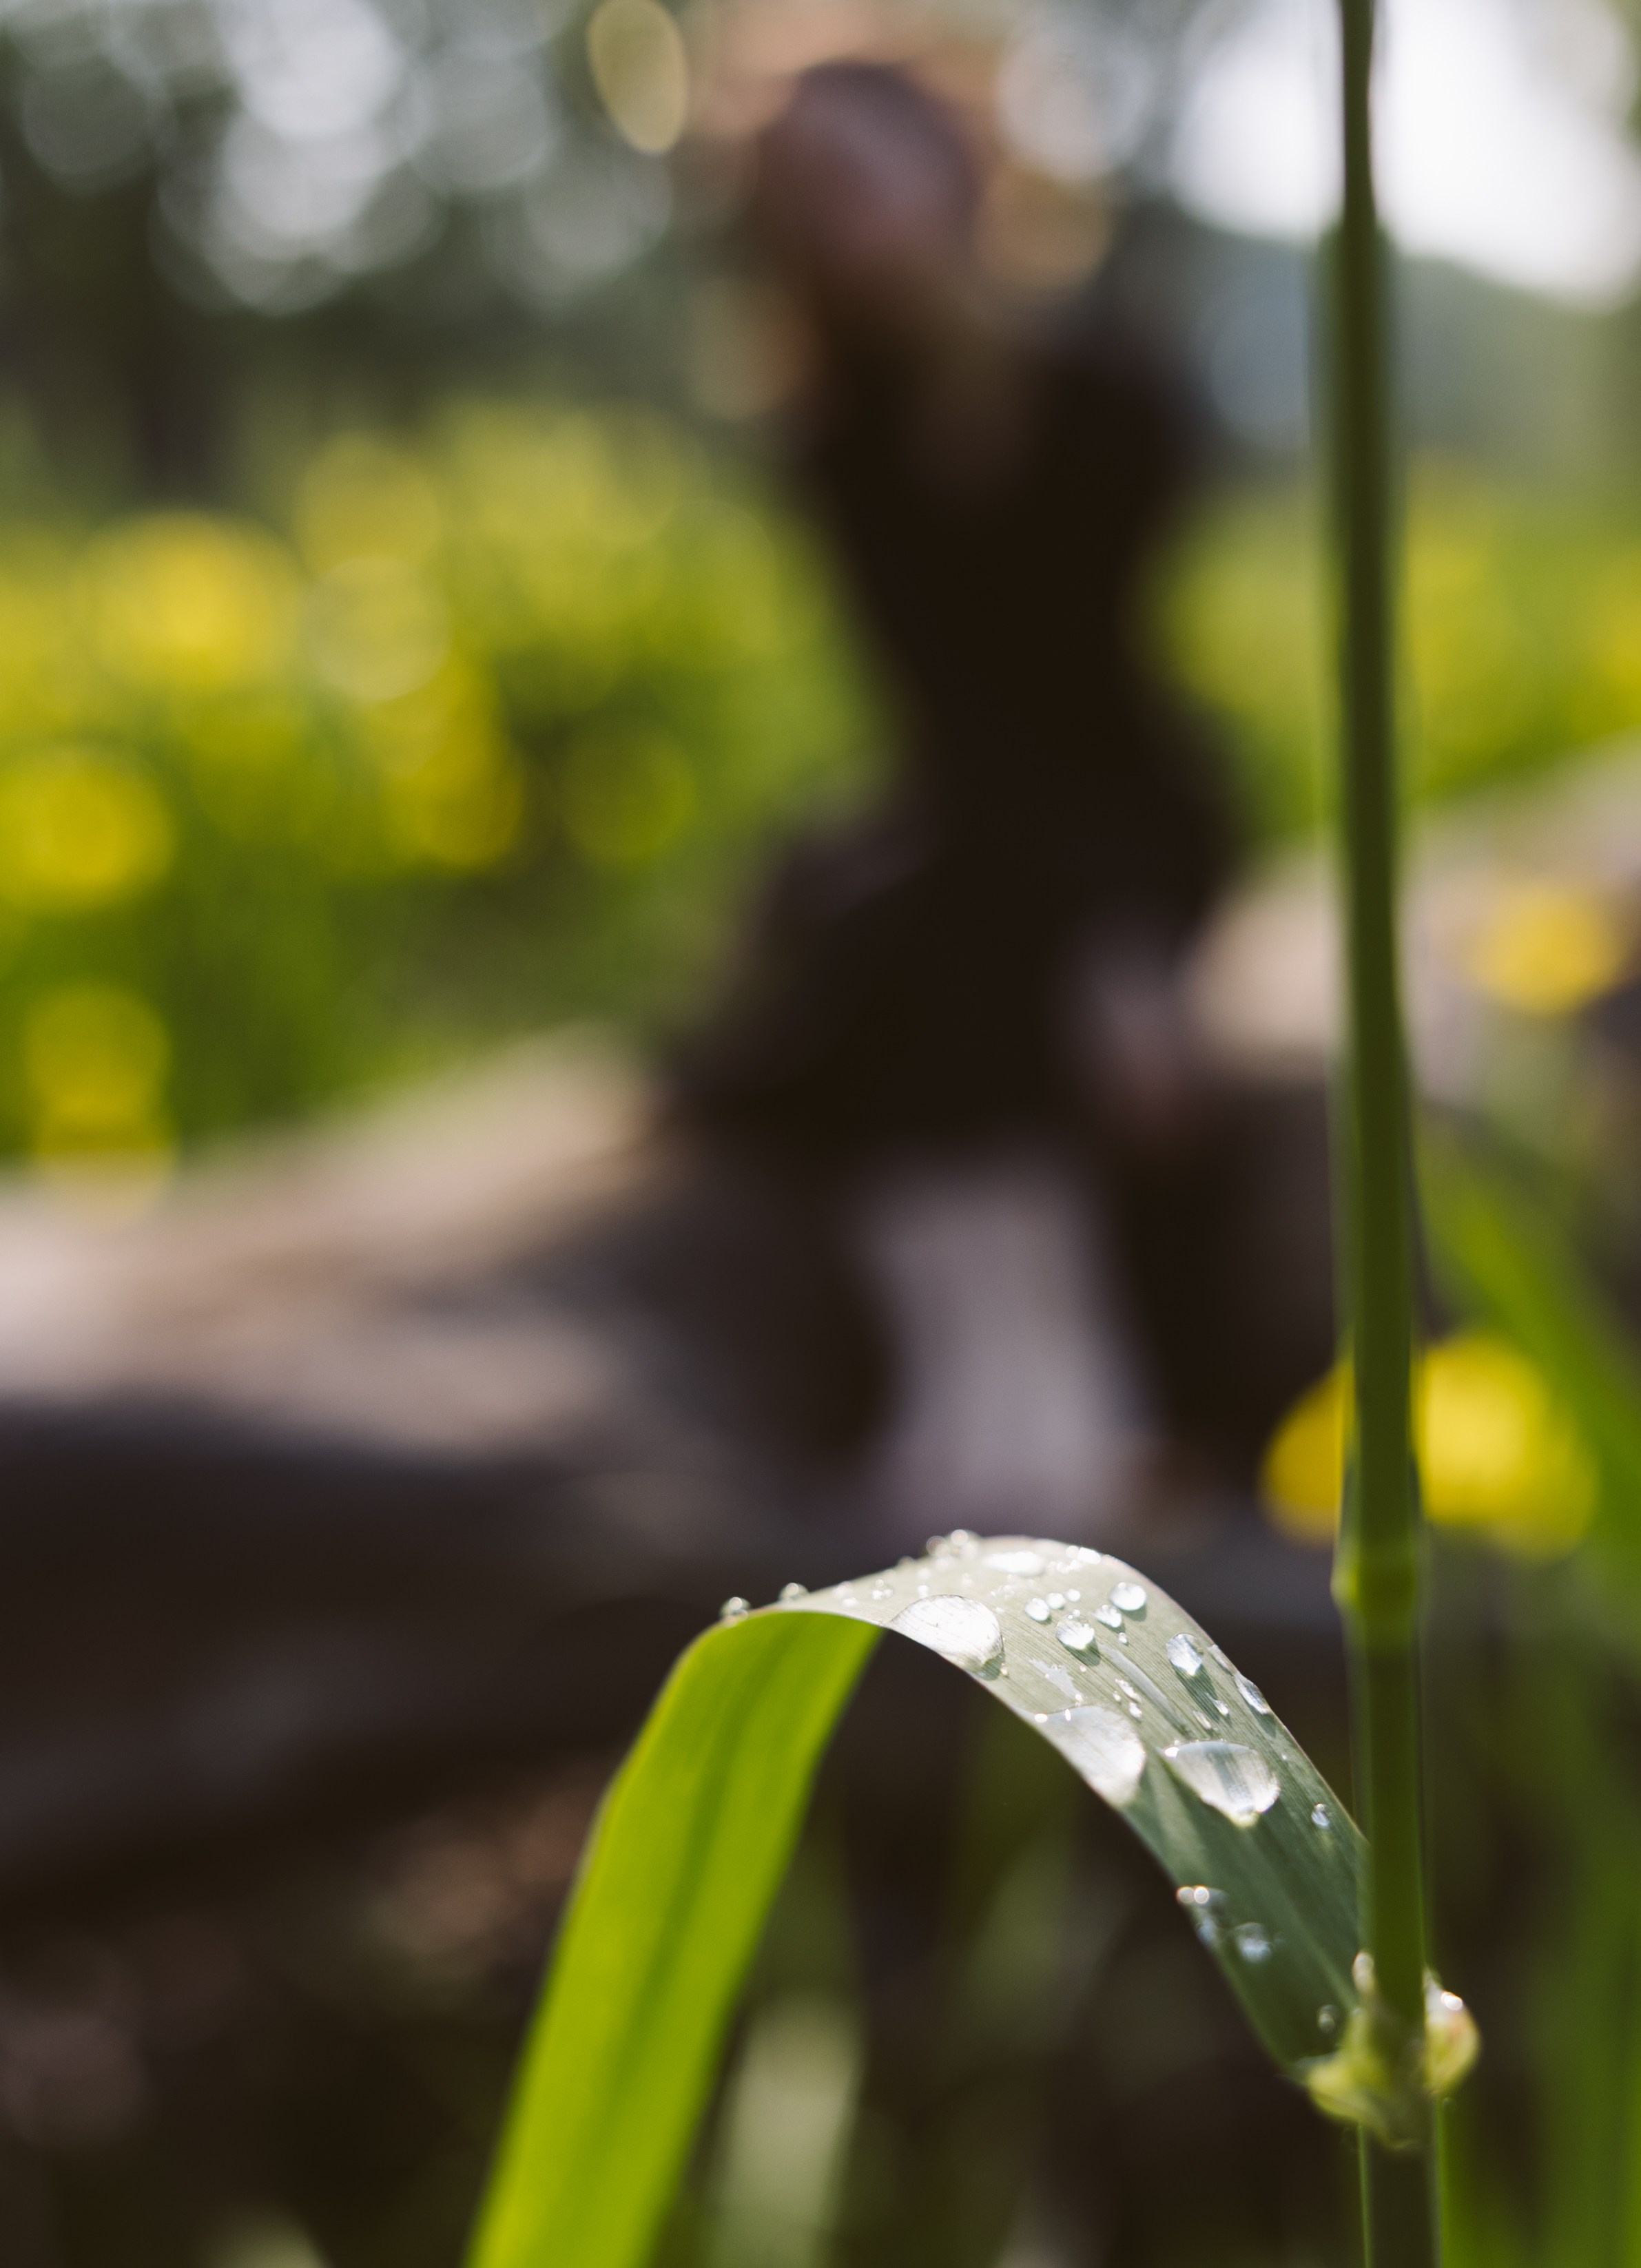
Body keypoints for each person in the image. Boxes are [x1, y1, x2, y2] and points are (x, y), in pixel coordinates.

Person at [672, 59, 1244, 1542]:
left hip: (1129, 822)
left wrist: (1116, 940)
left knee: (940, 938)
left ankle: (1060, 1393)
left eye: (856, 177)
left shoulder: (1118, 400)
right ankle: (992, 1385)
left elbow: (1085, 709)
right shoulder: (832, 439)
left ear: (958, 164)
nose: (840, 223)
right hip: (962, 837)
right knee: (911, 932)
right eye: (803, 201)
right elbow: (948, 721)